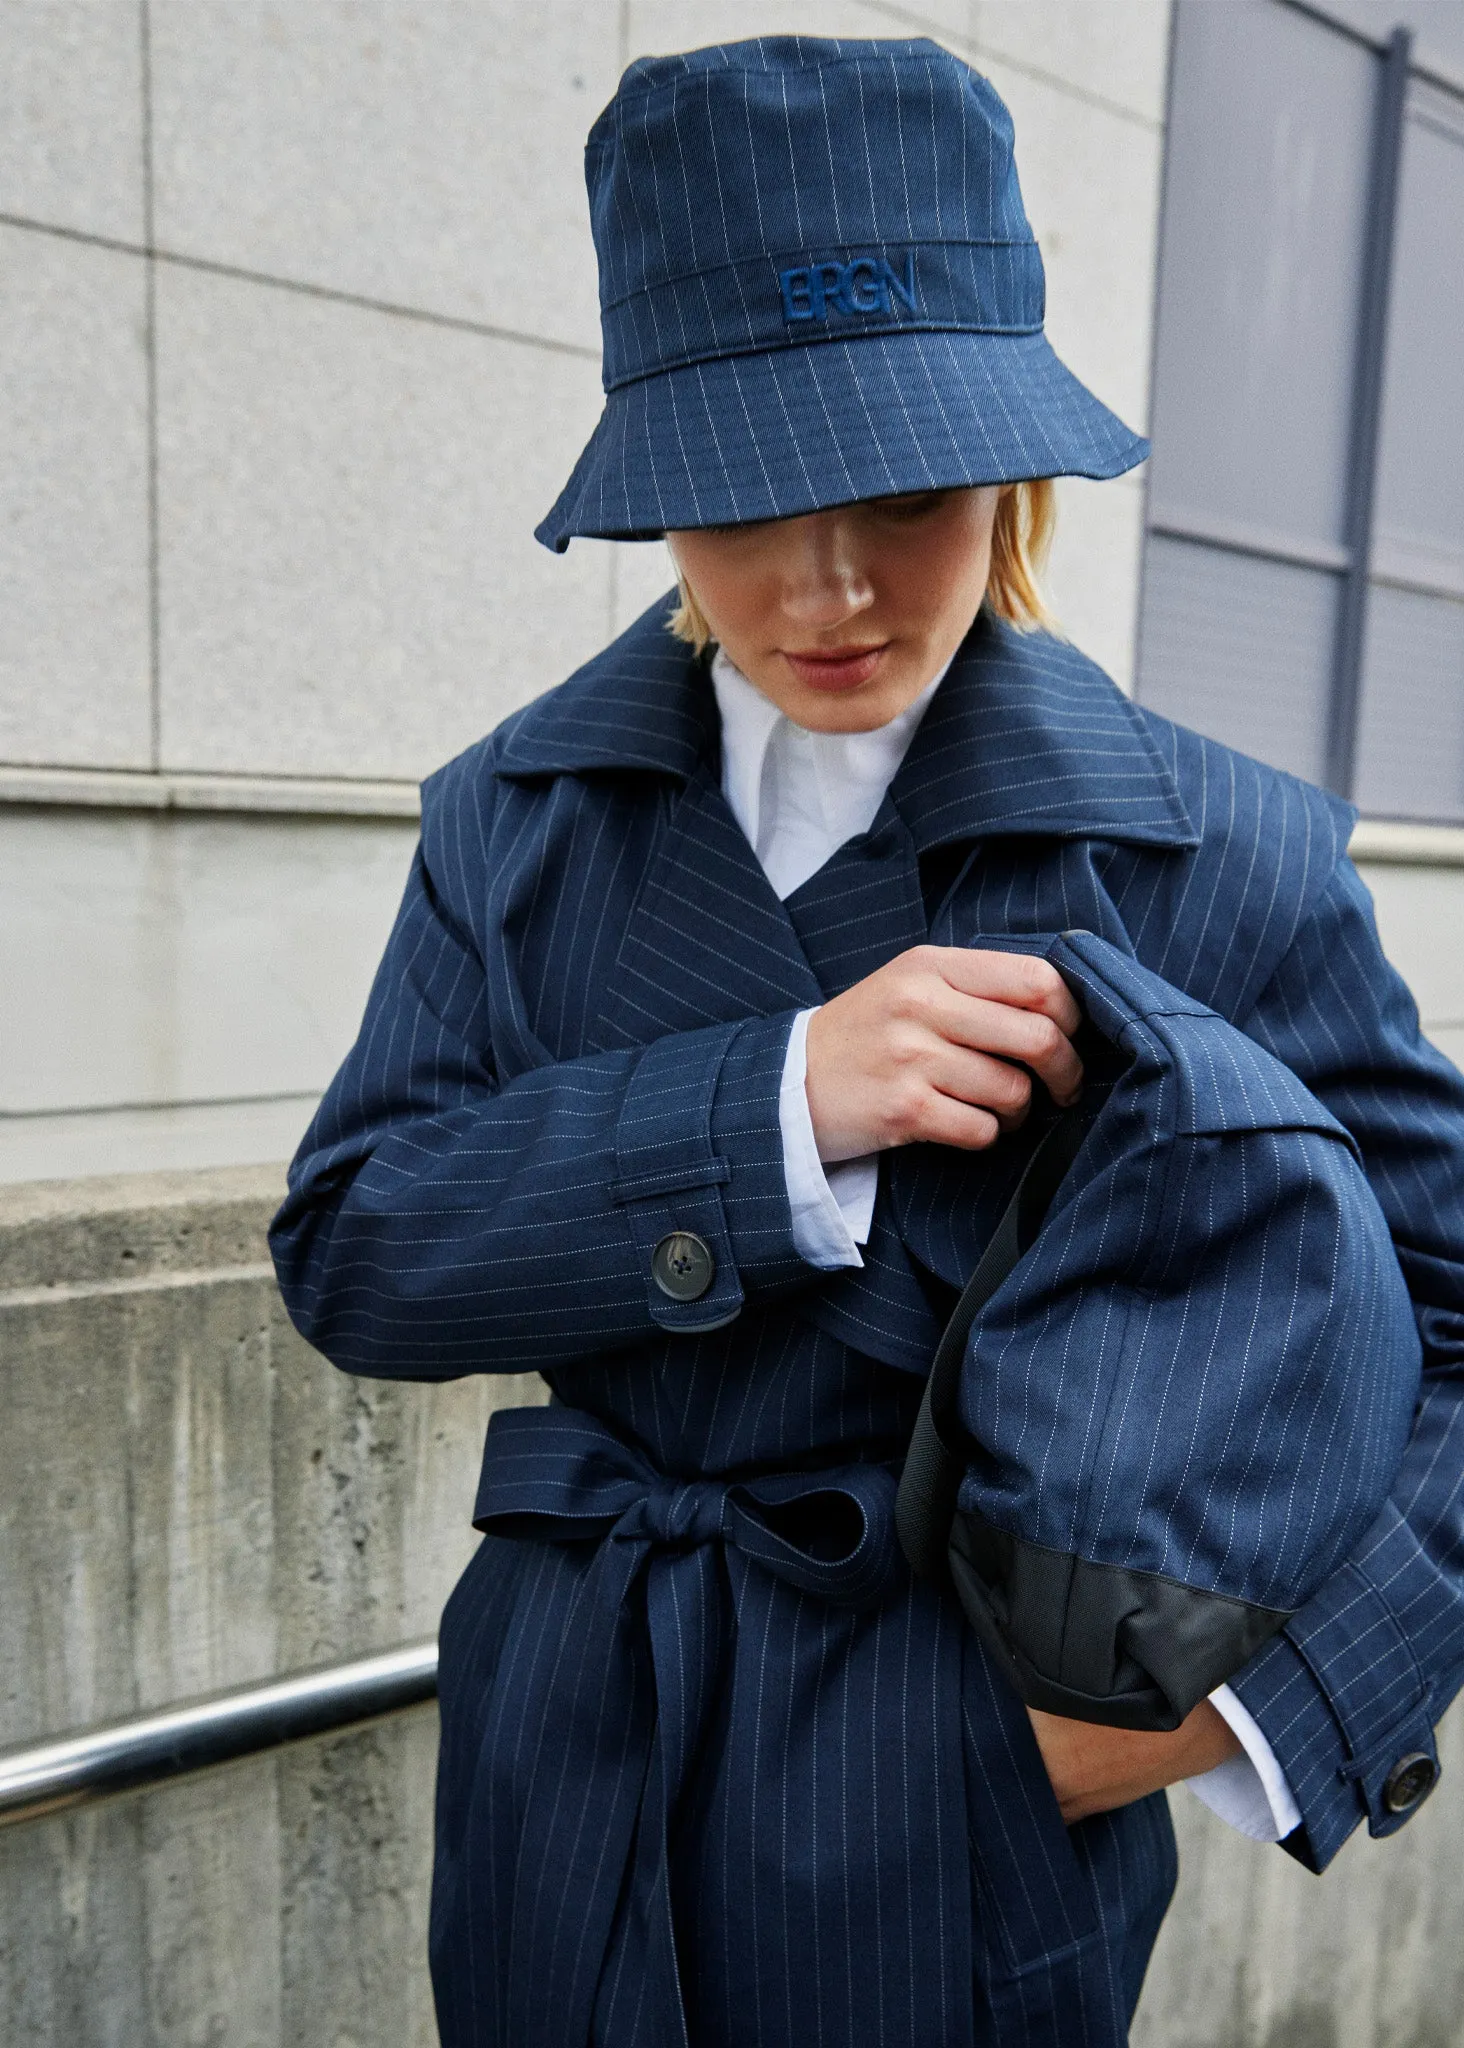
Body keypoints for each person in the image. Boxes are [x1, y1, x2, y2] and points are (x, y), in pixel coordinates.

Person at [269, 35, 1464, 2048]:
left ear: (1002, 461)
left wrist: (1232, 1705)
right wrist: (766, 1112)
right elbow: (357, 1245)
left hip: (968, 1789)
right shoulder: (517, 818)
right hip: (580, 1753)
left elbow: (1451, 1304)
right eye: (740, 499)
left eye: (903, 490)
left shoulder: (1219, 846)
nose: (825, 586)